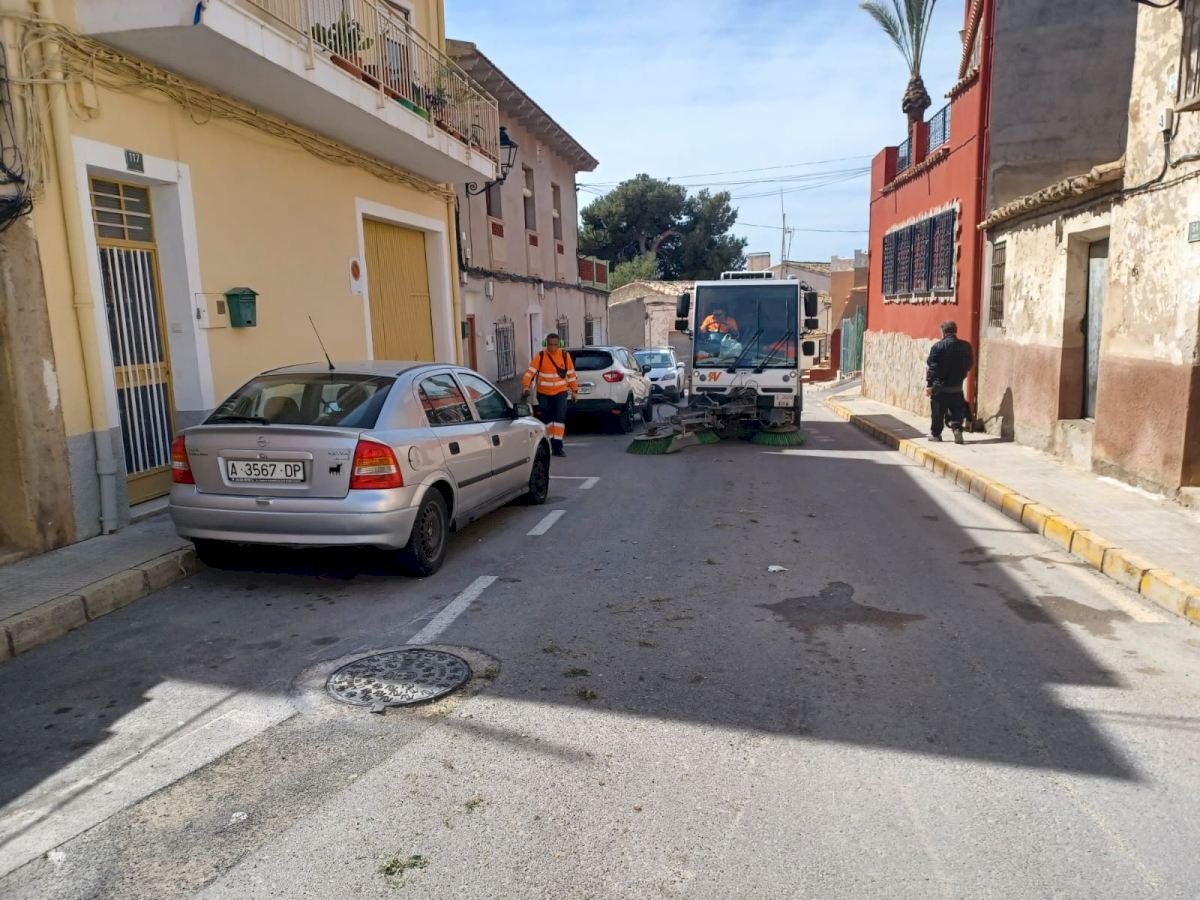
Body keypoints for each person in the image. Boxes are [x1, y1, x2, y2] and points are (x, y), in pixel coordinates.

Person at [521, 333, 578, 457]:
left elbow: (571, 374)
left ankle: (558, 446)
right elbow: (530, 373)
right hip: (544, 394)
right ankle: (550, 443)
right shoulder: (540, 356)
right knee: (547, 420)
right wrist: (526, 387)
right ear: (546, 344)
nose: (553, 348)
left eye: (555, 345)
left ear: (559, 345)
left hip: (560, 393)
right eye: (550, 345)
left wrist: (574, 391)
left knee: (559, 420)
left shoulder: (564, 355)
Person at [926, 320, 973, 444]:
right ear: (955, 331)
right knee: (957, 410)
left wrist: (929, 385)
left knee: (937, 413)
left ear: (943, 331)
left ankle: (936, 435)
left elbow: (932, 368)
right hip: (957, 387)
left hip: (940, 388)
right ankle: (957, 429)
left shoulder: (938, 347)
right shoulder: (966, 346)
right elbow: (970, 364)